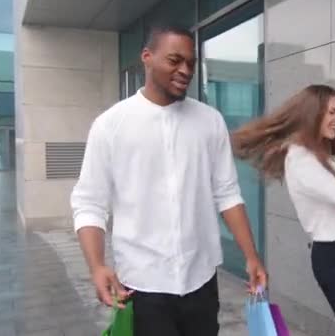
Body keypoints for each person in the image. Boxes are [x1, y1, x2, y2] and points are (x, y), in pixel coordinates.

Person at [70, 23, 267, 336]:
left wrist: (251, 256)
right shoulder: (111, 125)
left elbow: (227, 194)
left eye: (190, 62)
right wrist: (97, 266)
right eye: (174, 60)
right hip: (142, 286)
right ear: (147, 57)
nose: (185, 70)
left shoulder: (210, 121)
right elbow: (89, 203)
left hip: (201, 281)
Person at [232, 84, 335, 336]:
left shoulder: (322, 153)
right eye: (332, 113)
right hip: (333, 257)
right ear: (313, 114)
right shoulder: (299, 159)